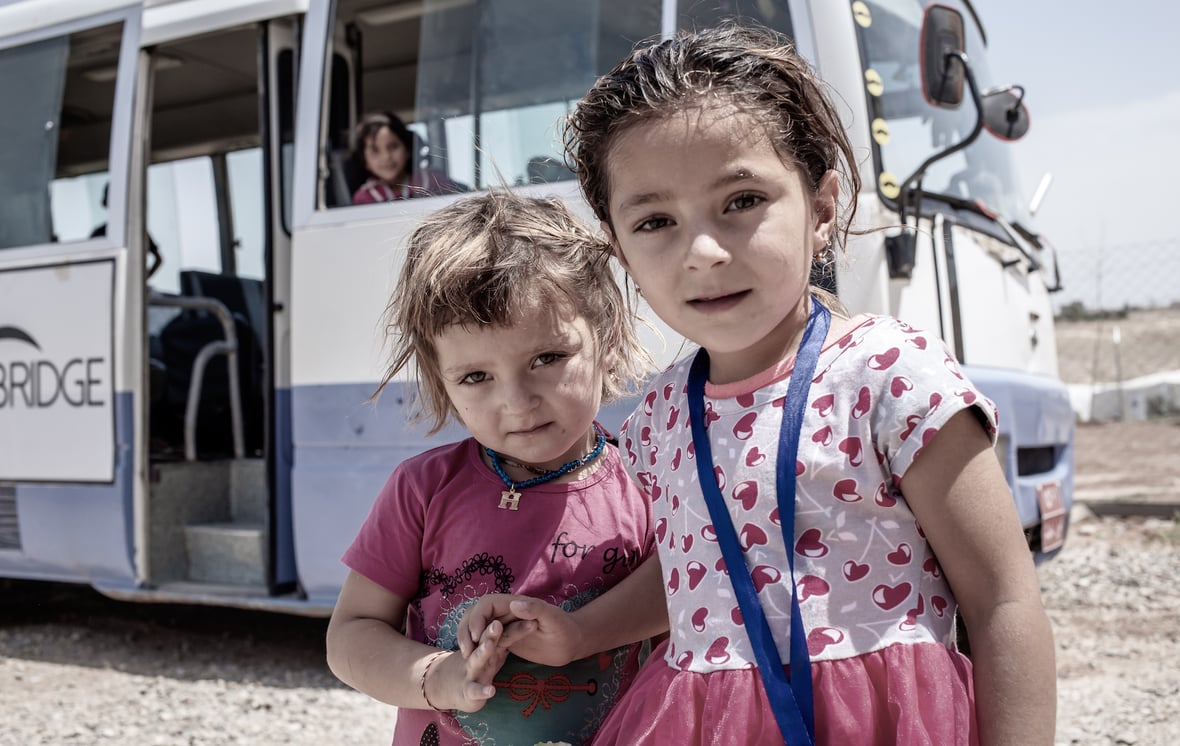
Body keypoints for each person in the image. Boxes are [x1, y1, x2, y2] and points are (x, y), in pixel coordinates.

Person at [457, 23, 1057, 745]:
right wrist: (580, 632)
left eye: (742, 200)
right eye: (655, 221)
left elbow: (1003, 601)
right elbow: (700, 566)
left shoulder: (890, 376)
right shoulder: (657, 417)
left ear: (823, 205)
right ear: (620, 249)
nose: (704, 252)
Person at [325, 190, 664, 746]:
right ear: (441, 381)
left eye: (547, 359)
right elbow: (353, 635)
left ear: (606, 338)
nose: (518, 401)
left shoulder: (649, 482)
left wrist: (581, 634)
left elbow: (681, 598)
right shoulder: (423, 490)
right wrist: (440, 677)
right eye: (476, 377)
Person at [349, 112, 460, 204]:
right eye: (375, 151)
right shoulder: (363, 198)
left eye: (393, 147)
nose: (386, 157)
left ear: (408, 149)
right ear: (365, 160)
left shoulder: (434, 181)